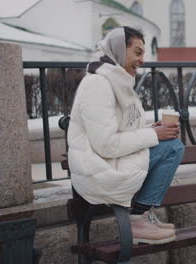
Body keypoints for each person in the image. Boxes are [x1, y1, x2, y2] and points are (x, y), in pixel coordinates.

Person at [67, 26, 184, 245]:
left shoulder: (114, 79)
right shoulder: (99, 84)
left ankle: (142, 215)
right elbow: (107, 144)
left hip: (106, 164)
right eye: (137, 53)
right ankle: (138, 218)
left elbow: (120, 129)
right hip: (99, 170)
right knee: (173, 148)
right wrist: (153, 134)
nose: (142, 60)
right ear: (120, 50)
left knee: (171, 144)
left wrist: (152, 129)